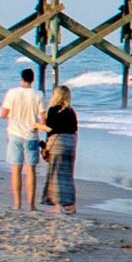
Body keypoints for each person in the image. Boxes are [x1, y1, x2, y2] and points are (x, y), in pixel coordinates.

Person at [0, 66, 47, 211]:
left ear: (21, 79)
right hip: (31, 135)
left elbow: (3, 114)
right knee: (31, 171)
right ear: (33, 80)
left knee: (16, 170)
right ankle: (31, 205)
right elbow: (43, 119)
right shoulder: (38, 94)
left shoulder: (12, 93)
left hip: (15, 134)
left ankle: (17, 204)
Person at [41, 86, 80, 214]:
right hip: (70, 143)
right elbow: (75, 131)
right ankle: (71, 205)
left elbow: (50, 130)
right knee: (68, 175)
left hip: (58, 142)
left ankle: (57, 206)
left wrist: (46, 146)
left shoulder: (52, 110)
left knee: (56, 174)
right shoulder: (71, 111)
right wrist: (74, 146)